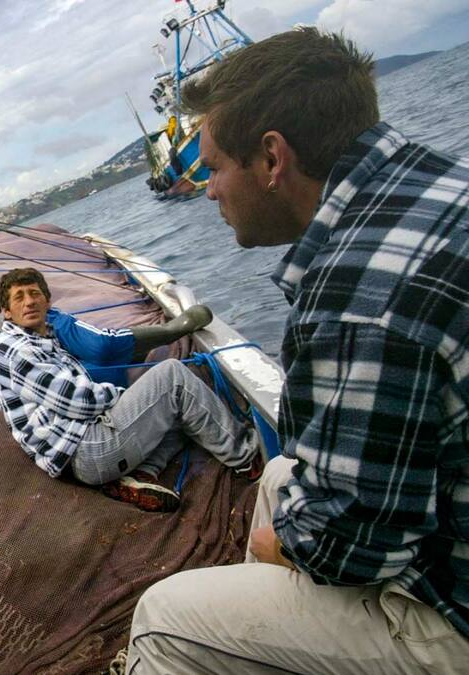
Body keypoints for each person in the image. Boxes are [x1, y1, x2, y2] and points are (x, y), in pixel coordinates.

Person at [125, 28, 469, 671]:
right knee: (279, 476)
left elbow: (350, 548)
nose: (210, 190)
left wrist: (277, 543)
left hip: (455, 612)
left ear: (272, 159)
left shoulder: (356, 295)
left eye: (216, 167)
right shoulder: (434, 191)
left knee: (161, 619)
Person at [0, 268, 259, 512]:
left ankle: (141, 475)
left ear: (47, 302)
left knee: (181, 412)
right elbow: (80, 401)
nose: (29, 302)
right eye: (19, 297)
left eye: (35, 294)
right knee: (172, 376)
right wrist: (126, 396)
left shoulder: (38, 339)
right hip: (87, 450)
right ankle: (245, 457)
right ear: (6, 312)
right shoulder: (18, 351)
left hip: (80, 454)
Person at [0, 264, 214, 380]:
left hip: (42, 324)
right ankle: (132, 354)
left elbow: (14, 304)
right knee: (93, 372)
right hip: (21, 357)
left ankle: (173, 329)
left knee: (101, 345)